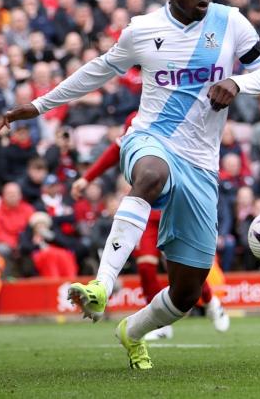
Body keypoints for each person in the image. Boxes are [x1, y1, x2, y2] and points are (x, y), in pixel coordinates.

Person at [0, 0, 260, 369]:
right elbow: (97, 70)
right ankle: (101, 285)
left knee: (186, 293)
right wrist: (39, 106)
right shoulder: (143, 31)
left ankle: (132, 331)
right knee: (151, 173)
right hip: (150, 139)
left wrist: (238, 81)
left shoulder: (230, 22)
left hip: (201, 163)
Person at [72, 111, 230, 341]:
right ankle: (158, 325)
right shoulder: (136, 118)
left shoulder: (185, 110)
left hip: (175, 206)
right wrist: (87, 177)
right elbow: (116, 150)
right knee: (146, 267)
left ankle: (211, 302)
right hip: (147, 209)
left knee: (181, 269)